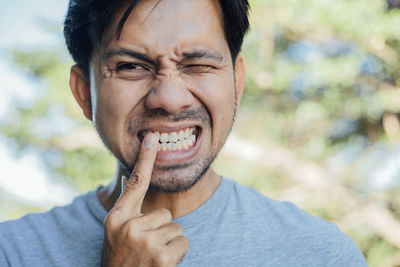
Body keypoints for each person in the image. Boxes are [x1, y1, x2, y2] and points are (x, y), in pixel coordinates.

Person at [0, 0, 367, 266]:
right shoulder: (11, 252)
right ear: (84, 94)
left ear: (237, 83)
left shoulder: (323, 254)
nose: (170, 99)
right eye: (131, 66)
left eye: (198, 64)